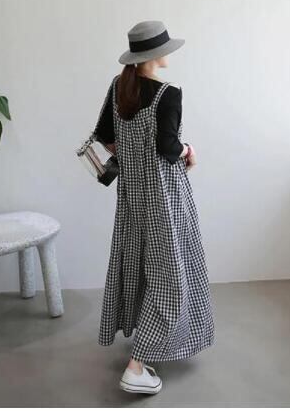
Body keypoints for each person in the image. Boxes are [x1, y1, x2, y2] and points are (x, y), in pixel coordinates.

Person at [95, 21, 215, 395]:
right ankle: (136, 366)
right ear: (156, 55)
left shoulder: (119, 87)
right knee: (171, 278)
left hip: (132, 198)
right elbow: (168, 147)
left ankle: (144, 339)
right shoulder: (168, 93)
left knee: (140, 268)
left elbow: (105, 136)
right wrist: (189, 150)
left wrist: (132, 155)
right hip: (166, 199)